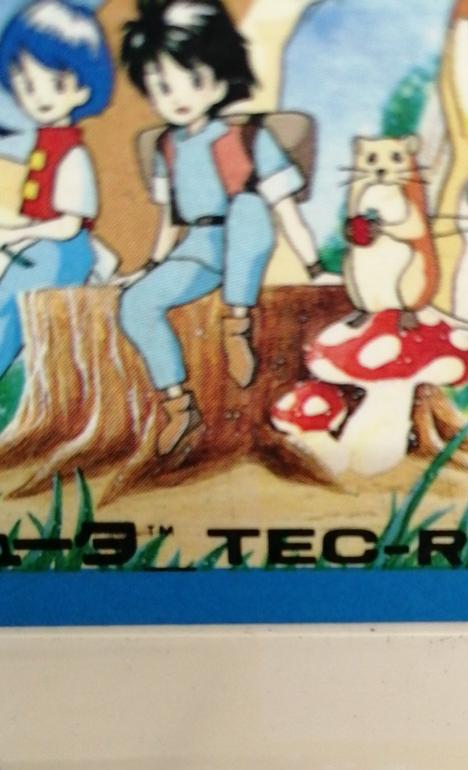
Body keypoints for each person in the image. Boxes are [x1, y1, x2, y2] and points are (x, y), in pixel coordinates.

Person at [119, 0, 322, 464]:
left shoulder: (248, 138)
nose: (178, 96)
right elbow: (170, 219)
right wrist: (152, 266)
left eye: (192, 80)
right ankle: (178, 406)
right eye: (161, 86)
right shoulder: (166, 147)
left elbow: (286, 211)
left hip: (244, 245)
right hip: (196, 251)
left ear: (219, 76)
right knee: (135, 304)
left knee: (248, 207)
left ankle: (237, 323)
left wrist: (314, 266)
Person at [0, 0, 113, 380]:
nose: (39, 97)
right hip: (40, 246)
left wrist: (16, 234)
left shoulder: (73, 154)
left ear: (82, 89)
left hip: (64, 252)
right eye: (27, 85)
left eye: (56, 84)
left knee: (12, 303)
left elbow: (68, 226)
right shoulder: (44, 144)